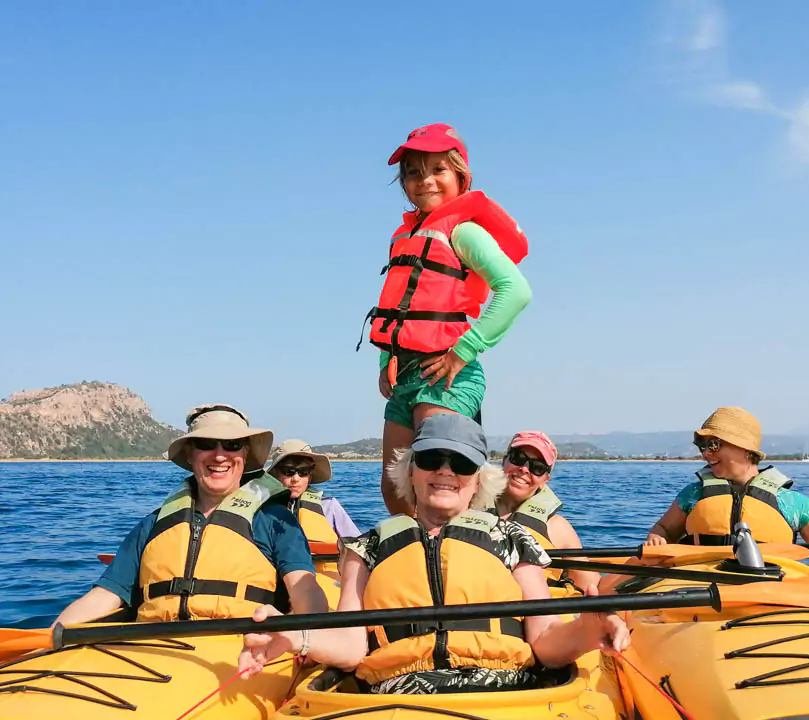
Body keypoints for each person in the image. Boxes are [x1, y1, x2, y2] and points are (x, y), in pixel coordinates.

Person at [238, 414, 628, 695]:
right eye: (430, 459)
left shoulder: (512, 539)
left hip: (503, 692)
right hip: (396, 695)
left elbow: (544, 641)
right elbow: (352, 646)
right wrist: (294, 635)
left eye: (460, 463)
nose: (444, 471)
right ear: (410, 471)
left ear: (478, 478)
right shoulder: (366, 548)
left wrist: (587, 629)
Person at [359, 123, 532, 516]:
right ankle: (409, 567)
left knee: (436, 487)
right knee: (396, 491)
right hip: (406, 377)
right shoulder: (405, 236)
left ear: (461, 176)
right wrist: (386, 363)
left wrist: (463, 351)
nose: (426, 181)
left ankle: (463, 562)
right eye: (414, 172)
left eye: (438, 169)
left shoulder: (465, 232)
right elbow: (399, 308)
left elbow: (516, 290)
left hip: (447, 375)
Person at [55, 404, 329, 625]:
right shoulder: (153, 524)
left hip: (241, 651)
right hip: (150, 646)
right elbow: (104, 596)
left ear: (244, 454)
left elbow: (305, 593)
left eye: (232, 445)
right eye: (207, 443)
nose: (220, 455)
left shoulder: (277, 522)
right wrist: (49, 640)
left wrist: (304, 637)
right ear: (189, 454)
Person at [643, 406, 809, 569]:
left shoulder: (792, 503)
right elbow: (663, 528)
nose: (705, 453)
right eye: (701, 446)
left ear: (745, 448)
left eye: (713, 444)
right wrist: (657, 539)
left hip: (765, 591)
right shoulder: (693, 495)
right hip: (701, 585)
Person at [496, 431, 598, 591]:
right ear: (504, 460)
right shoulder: (466, 508)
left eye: (537, 467)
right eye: (518, 458)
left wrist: (637, 562)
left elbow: (592, 586)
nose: (524, 469)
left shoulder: (558, 528)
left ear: (545, 480)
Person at [266, 438, 360, 543]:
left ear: (310, 476)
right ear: (275, 474)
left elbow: (357, 545)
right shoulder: (262, 509)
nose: (296, 479)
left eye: (303, 472)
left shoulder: (329, 506)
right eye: (288, 471)